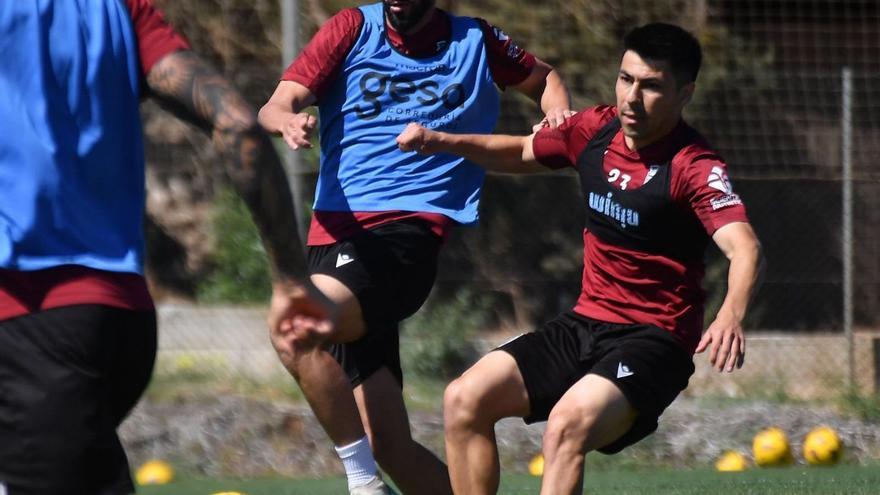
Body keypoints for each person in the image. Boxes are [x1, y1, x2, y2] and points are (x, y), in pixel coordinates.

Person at [396, 22, 764, 495]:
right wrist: (440, 141)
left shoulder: (694, 166)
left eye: (651, 86)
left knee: (566, 427)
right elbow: (523, 151)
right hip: (585, 325)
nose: (632, 97)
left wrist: (731, 314)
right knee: (465, 399)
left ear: (685, 93)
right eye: (625, 79)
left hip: (654, 341)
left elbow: (745, 246)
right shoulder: (595, 130)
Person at [0, 1, 329, 493]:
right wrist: (289, 278)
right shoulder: (117, 11)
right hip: (120, 320)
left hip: (32, 321)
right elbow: (238, 123)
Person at [258, 1, 571, 493]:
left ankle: (362, 484)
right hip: (332, 241)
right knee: (390, 445)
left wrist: (557, 118)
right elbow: (274, 104)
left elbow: (544, 78)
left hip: (403, 237)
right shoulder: (351, 27)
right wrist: (287, 121)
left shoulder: (475, 40)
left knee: (296, 327)